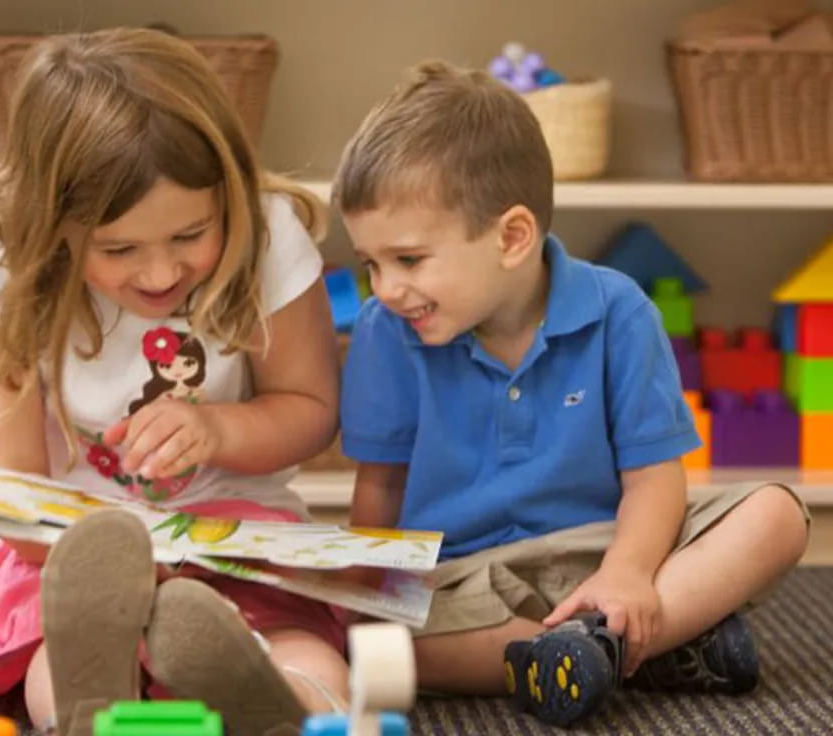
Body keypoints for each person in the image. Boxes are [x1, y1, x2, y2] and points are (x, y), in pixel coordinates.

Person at [333, 60, 810, 727]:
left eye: (408, 260)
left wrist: (627, 573)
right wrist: (361, 595)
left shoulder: (620, 311)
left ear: (512, 237)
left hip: (612, 548)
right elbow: (381, 485)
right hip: (464, 579)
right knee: (360, 645)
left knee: (776, 514)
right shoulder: (389, 331)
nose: (384, 287)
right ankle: (648, 644)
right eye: (371, 264)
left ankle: (608, 635)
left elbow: (653, 480)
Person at [0, 27, 348, 736]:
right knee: (61, 658)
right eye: (118, 249)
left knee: (308, 652)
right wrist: (124, 568)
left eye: (189, 235)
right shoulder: (0, 267)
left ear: (228, 194)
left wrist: (219, 429)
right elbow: (8, 491)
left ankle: (279, 705)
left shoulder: (265, 234)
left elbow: (313, 409)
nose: (159, 273)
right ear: (52, 227)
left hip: (237, 534)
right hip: (72, 554)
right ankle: (96, 715)